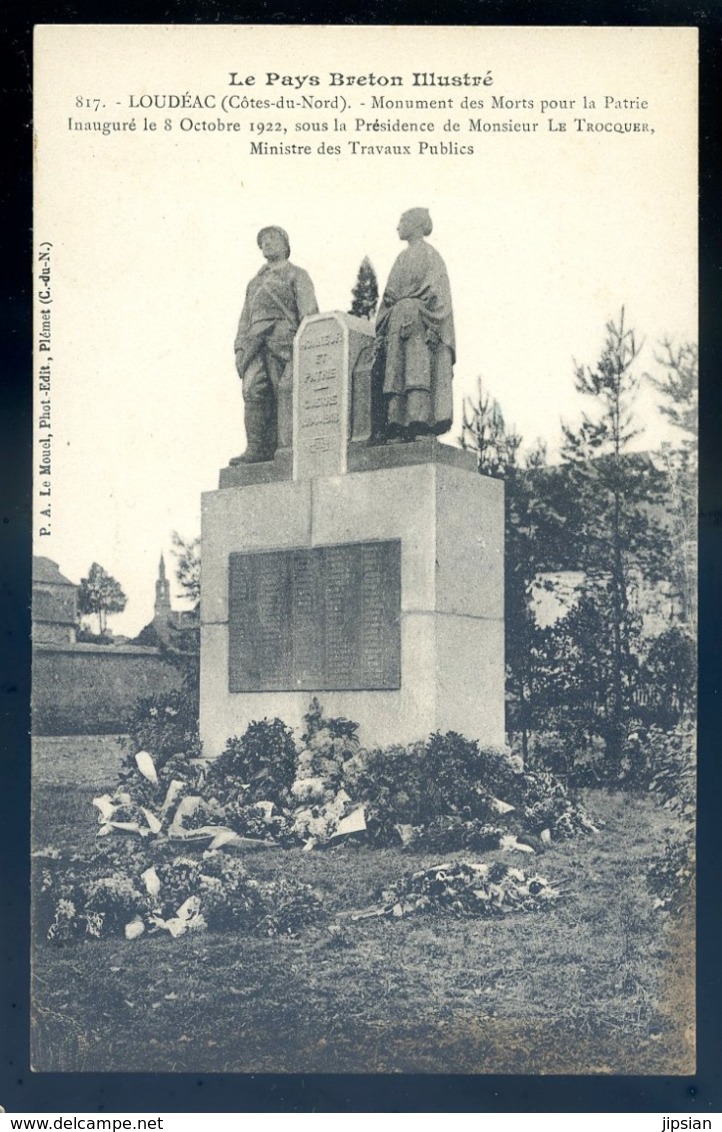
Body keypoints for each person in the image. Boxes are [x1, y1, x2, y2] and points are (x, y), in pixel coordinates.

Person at [231, 226, 318, 464]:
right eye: (263, 241)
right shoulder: (254, 283)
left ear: (285, 244)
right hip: (255, 344)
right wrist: (240, 347)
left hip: (283, 342)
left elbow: (309, 314)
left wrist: (303, 344)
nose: (267, 243)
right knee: (252, 390)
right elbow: (245, 319)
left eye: (273, 239)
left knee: (285, 392)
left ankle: (287, 447)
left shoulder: (297, 275)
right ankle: (256, 448)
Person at [375, 208, 455, 441]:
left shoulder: (432, 256)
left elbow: (440, 298)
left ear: (416, 224)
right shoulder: (400, 258)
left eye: (402, 221)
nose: (398, 227)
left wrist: (431, 324)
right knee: (396, 375)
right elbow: (388, 297)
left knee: (417, 373)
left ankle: (420, 424)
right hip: (397, 324)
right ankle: (397, 424)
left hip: (420, 324)